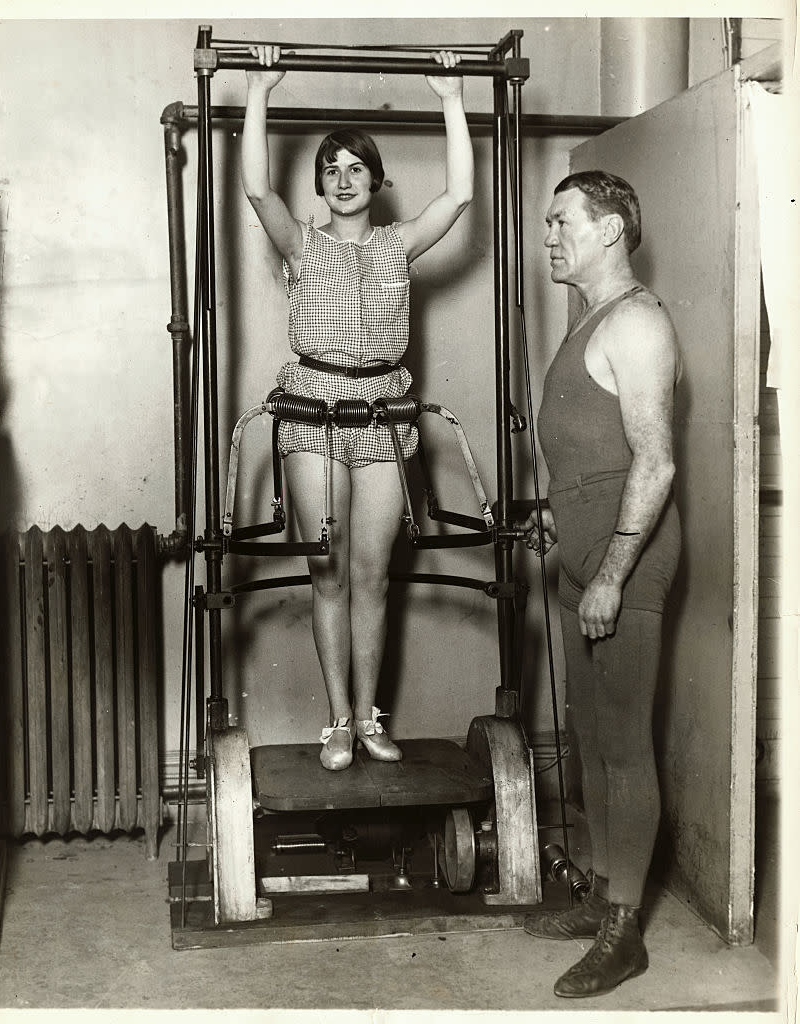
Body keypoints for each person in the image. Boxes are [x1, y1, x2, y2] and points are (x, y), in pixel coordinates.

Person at [241, 45, 473, 771]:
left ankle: (370, 717)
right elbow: (256, 190)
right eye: (330, 169)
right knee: (328, 572)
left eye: (356, 168)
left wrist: (451, 99)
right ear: (320, 183)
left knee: (373, 575)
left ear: (377, 180)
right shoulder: (301, 245)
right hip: (312, 412)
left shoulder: (398, 244)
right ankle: (337, 721)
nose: (343, 179)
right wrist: (258, 89)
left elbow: (460, 196)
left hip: (383, 414)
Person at [520, 170, 681, 998]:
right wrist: (560, 519)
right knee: (588, 743)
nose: (549, 235)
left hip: (628, 562)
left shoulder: (639, 324)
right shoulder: (591, 320)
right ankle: (600, 896)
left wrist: (612, 573)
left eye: (562, 221)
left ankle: (626, 933)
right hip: (583, 552)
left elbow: (654, 463)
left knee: (624, 748)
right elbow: (592, 458)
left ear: (611, 228)